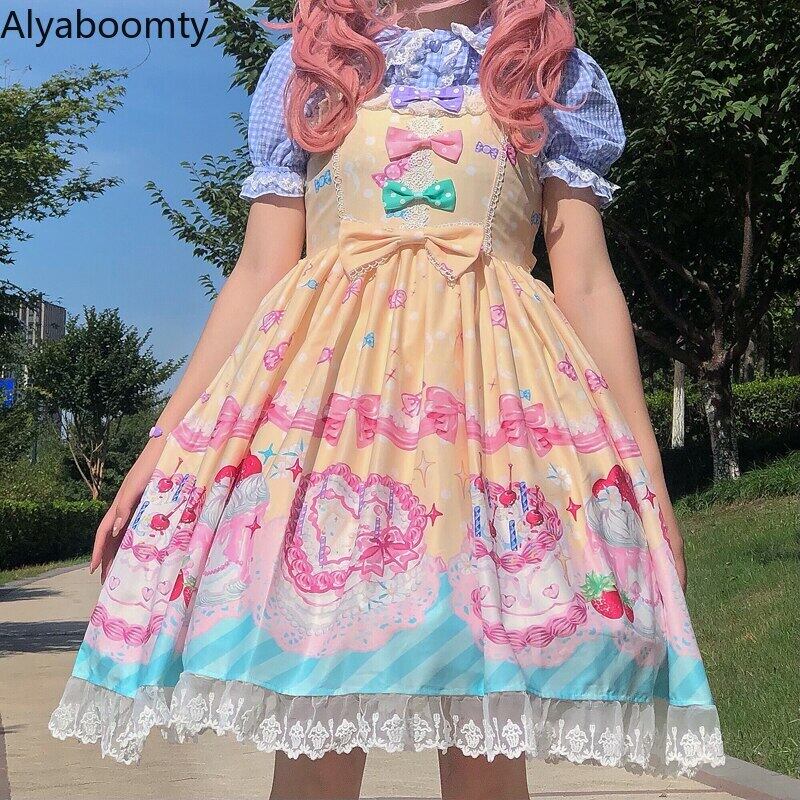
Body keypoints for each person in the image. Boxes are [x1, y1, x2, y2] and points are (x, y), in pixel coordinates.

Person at [49, 1, 724, 797]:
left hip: (491, 435)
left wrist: (645, 471)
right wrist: (162, 447)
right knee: (314, 736)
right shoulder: (311, 65)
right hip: (327, 434)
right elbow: (260, 271)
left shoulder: (545, 69)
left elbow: (585, 280)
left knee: (485, 734)